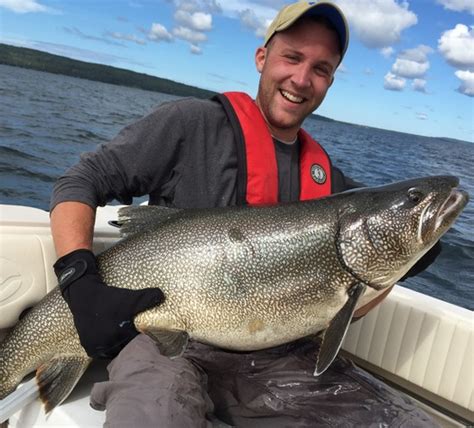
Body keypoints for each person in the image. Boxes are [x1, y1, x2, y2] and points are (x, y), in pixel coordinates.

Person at [50, 1, 440, 426]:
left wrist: (413, 247)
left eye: (321, 68)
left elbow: (351, 296)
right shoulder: (190, 123)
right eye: (292, 57)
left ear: (329, 82)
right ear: (261, 58)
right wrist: (78, 279)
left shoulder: (330, 181)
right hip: (164, 339)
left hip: (277, 359)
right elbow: (82, 180)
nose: (301, 78)